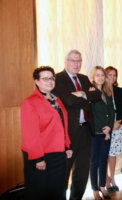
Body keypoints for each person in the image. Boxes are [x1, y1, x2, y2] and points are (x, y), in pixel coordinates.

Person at [53, 50, 102, 200]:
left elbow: (97, 96)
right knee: (65, 170)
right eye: (73, 60)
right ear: (65, 62)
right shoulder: (58, 79)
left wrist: (81, 94)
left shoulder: (84, 78)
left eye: (79, 61)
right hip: (68, 132)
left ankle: (76, 198)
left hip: (86, 130)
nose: (76, 64)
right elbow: (67, 101)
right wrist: (87, 95)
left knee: (82, 170)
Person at [21, 66, 73, 200]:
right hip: (41, 155)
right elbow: (30, 134)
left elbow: (63, 124)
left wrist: (67, 145)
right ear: (37, 81)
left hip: (58, 153)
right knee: (42, 192)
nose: (50, 81)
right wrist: (38, 158)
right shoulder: (30, 102)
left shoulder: (56, 100)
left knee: (60, 189)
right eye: (45, 79)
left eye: (51, 78)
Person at [89, 66, 115, 200]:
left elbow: (112, 112)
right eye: (97, 75)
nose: (100, 77)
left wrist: (109, 128)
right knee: (94, 161)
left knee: (103, 160)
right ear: (93, 77)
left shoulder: (107, 92)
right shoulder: (91, 92)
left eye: (102, 75)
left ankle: (102, 186)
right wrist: (103, 129)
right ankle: (94, 189)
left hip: (107, 132)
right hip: (95, 133)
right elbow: (91, 114)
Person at [105, 66, 122, 193]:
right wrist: (110, 124)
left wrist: (118, 122)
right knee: (104, 154)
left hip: (117, 127)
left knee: (113, 155)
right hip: (105, 128)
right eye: (109, 75)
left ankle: (112, 178)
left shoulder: (118, 90)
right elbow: (99, 113)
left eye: (114, 75)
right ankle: (105, 180)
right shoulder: (99, 90)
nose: (112, 77)